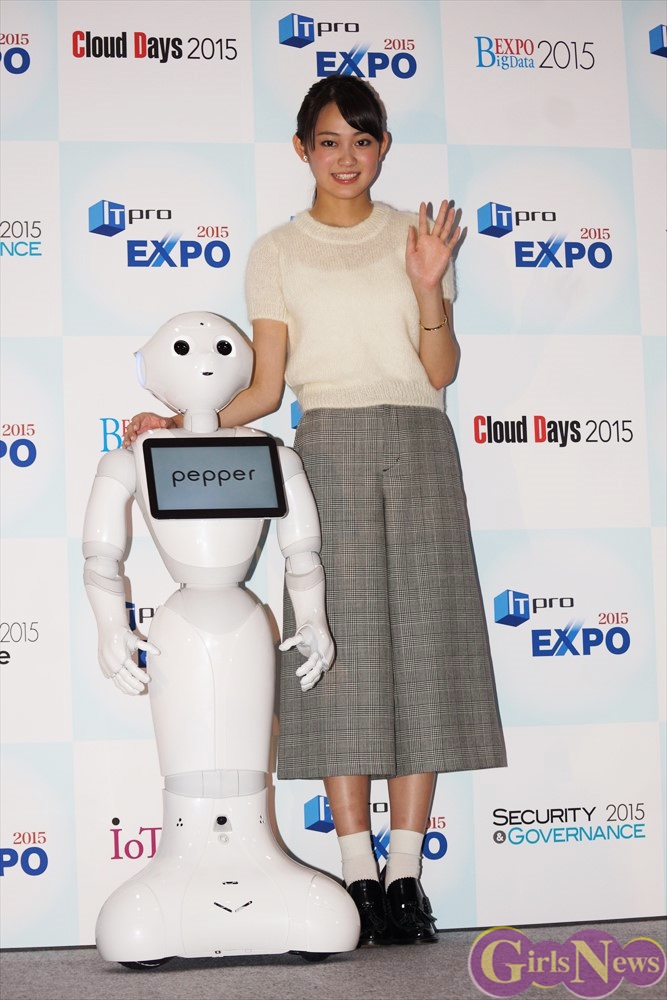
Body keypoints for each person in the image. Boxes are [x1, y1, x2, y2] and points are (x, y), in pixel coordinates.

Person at [125, 76, 507, 947]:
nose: (346, 157)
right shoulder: (276, 252)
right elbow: (265, 387)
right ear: (302, 149)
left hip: (420, 444)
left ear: (382, 148)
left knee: (425, 653)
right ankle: (357, 873)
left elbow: (440, 372)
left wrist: (428, 287)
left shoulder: (417, 237)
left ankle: (405, 878)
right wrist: (183, 423)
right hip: (326, 447)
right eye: (329, 141)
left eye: (362, 140)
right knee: (338, 657)